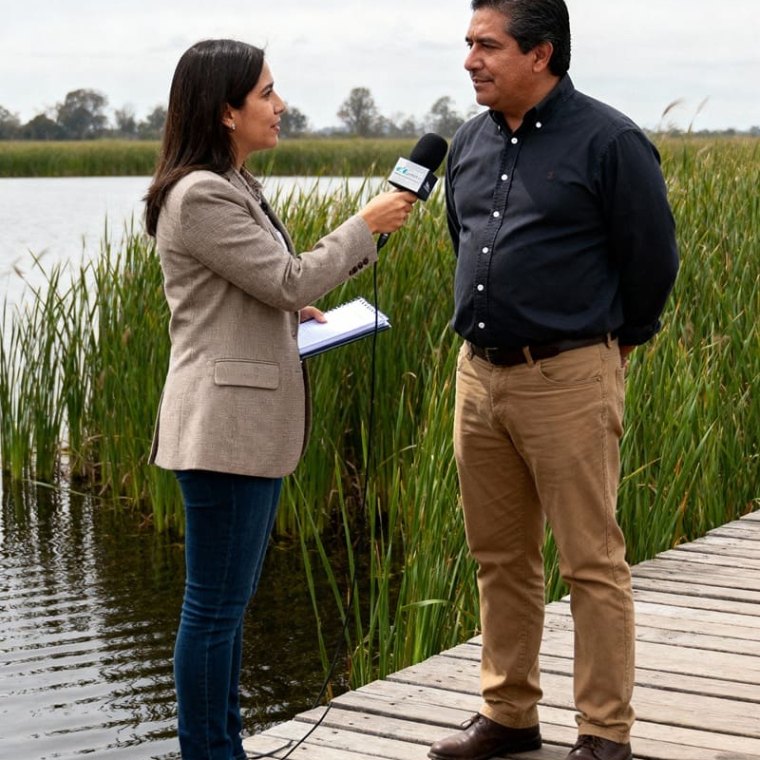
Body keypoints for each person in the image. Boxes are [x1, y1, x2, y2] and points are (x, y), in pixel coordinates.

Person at [143, 39, 417, 760]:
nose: (280, 104)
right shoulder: (202, 192)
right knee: (213, 610)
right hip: (223, 429)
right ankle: (211, 752)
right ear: (227, 110)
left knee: (225, 611)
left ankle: (222, 745)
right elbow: (291, 276)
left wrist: (287, 316)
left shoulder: (233, 184)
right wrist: (367, 227)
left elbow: (252, 291)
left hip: (241, 426)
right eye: (267, 93)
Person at [430, 2, 679, 760]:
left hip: (568, 376)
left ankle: (604, 735)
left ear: (540, 54)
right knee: (499, 556)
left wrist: (611, 350)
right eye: (468, 44)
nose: (471, 60)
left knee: (591, 562)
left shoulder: (610, 142)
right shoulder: (468, 144)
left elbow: (652, 262)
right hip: (478, 379)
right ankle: (509, 715)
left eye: (487, 46)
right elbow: (463, 240)